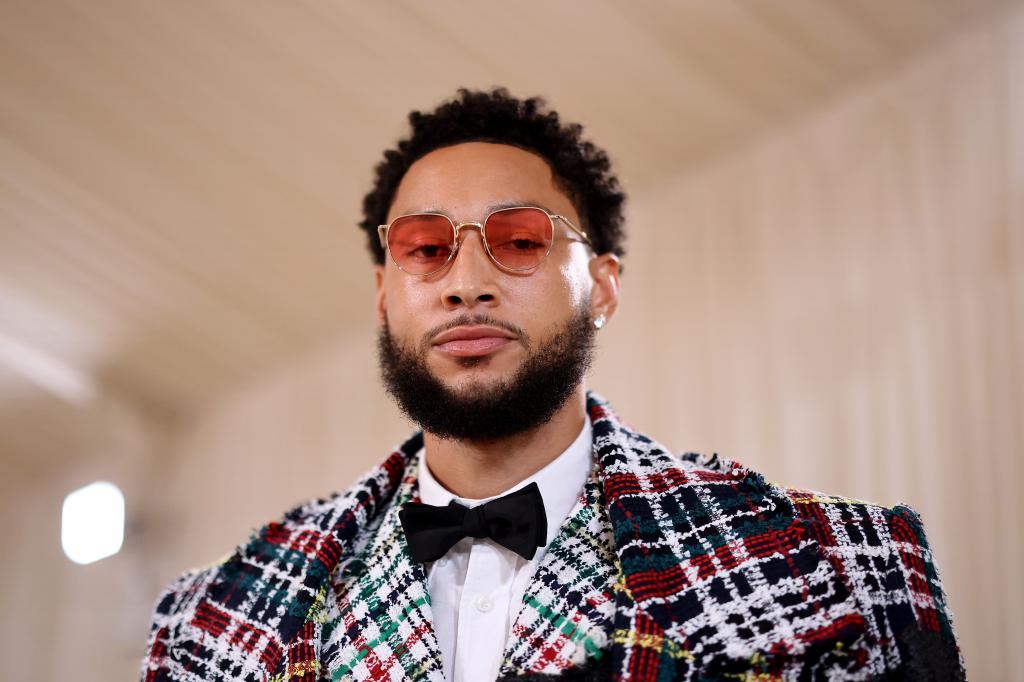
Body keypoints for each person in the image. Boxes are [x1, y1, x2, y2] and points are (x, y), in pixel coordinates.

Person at [141, 88, 964, 681]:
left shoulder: (846, 566)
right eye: (426, 247)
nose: (466, 282)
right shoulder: (207, 622)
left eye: (521, 240)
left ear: (601, 286)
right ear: (385, 294)